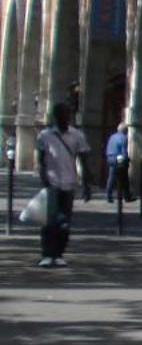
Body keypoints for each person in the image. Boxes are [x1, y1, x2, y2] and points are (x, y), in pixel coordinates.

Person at [34, 103, 90, 269]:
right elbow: (41, 159)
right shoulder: (45, 135)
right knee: (50, 220)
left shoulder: (77, 135)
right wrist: (43, 177)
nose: (66, 118)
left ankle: (58, 254)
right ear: (56, 117)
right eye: (63, 115)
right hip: (52, 181)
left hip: (69, 181)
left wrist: (86, 184)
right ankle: (46, 254)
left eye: (68, 115)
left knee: (65, 221)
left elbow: (83, 160)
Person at [105, 121, 132, 204]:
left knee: (111, 177)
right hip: (118, 157)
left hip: (110, 157)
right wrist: (126, 160)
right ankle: (126, 196)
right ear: (125, 131)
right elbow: (123, 152)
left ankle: (109, 196)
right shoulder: (124, 138)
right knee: (124, 176)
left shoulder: (112, 136)